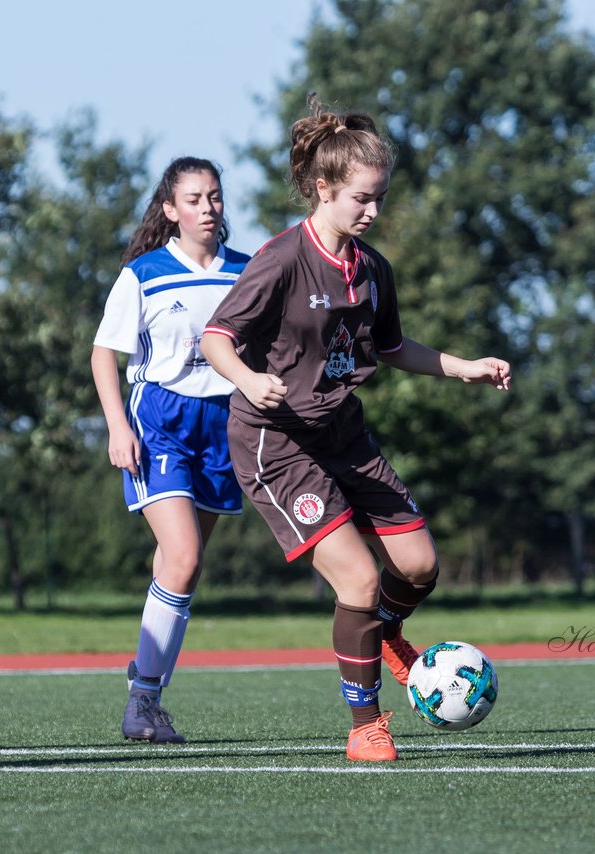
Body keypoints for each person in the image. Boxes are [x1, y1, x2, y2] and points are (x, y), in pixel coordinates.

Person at [201, 96, 511, 762]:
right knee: (358, 581)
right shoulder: (281, 259)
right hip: (275, 442)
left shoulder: (372, 270)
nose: (373, 212)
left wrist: (464, 368)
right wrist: (249, 380)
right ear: (323, 188)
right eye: (362, 199)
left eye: (380, 198)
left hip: (343, 433)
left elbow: (395, 347)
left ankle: (386, 633)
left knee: (420, 565)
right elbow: (217, 337)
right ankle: (365, 724)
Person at [91, 157, 250, 744]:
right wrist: (116, 426)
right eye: (193, 198)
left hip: (224, 423)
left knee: (182, 567)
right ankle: (144, 703)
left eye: (214, 196)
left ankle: (145, 685)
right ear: (170, 210)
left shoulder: (247, 269)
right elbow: (103, 354)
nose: (207, 207)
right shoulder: (144, 273)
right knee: (181, 558)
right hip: (159, 418)